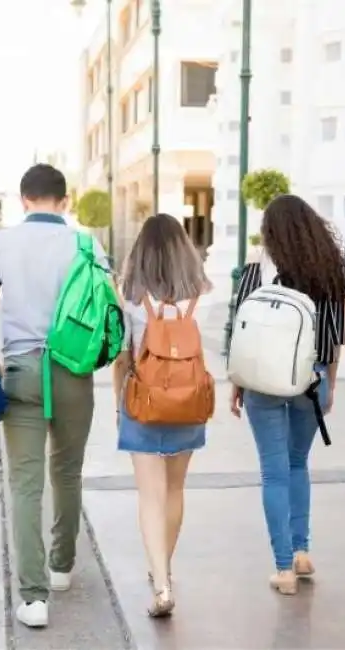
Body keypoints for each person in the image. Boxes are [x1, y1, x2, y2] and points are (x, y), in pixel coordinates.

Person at [0, 164, 109, 628]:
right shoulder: (86, 244)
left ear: (23, 199)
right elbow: (109, 307)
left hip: (20, 368)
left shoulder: (3, 243)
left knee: (25, 482)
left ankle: (32, 598)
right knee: (67, 471)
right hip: (73, 369)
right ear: (64, 201)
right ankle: (62, 566)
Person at [229, 194, 345, 595]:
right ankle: (301, 551)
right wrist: (330, 381)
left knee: (273, 471)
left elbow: (239, 330)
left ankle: (283, 569)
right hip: (310, 379)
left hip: (261, 380)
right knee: (298, 464)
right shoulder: (327, 269)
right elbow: (335, 334)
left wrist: (237, 382)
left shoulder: (254, 270)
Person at [111, 213, 211, 617]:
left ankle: (163, 584)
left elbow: (122, 357)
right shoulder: (202, 294)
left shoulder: (131, 295)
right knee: (174, 491)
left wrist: (119, 404)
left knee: (150, 495)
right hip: (189, 403)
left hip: (144, 403)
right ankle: (162, 570)